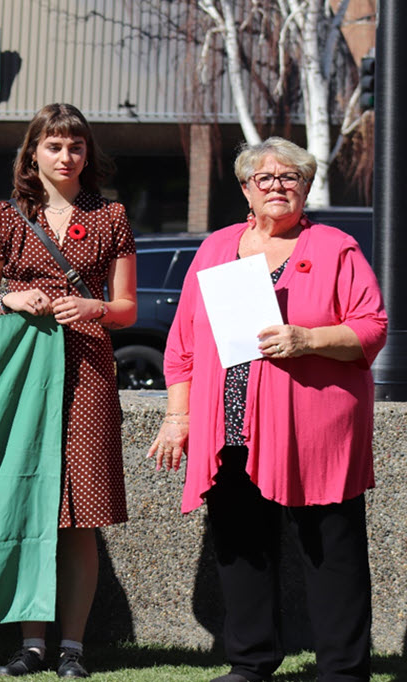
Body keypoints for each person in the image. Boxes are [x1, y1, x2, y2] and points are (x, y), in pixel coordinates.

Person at [148, 137, 387, 682]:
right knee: (240, 546)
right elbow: (184, 341)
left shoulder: (334, 247)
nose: (279, 186)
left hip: (314, 426)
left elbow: (372, 327)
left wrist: (309, 339)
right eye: (266, 178)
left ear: (305, 189)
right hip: (227, 425)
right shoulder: (216, 248)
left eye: (291, 178)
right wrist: (178, 416)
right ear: (246, 189)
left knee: (331, 551)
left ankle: (343, 671)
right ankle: (251, 662)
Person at [0, 103, 137, 678]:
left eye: (76, 147)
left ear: (88, 154)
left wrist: (93, 306)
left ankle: (73, 648)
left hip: (88, 373)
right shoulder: (5, 217)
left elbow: (127, 308)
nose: (66, 157)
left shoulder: (111, 215)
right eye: (55, 146)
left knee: (80, 516)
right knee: (26, 502)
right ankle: (31, 644)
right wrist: (12, 300)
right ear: (32, 152)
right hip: (23, 375)